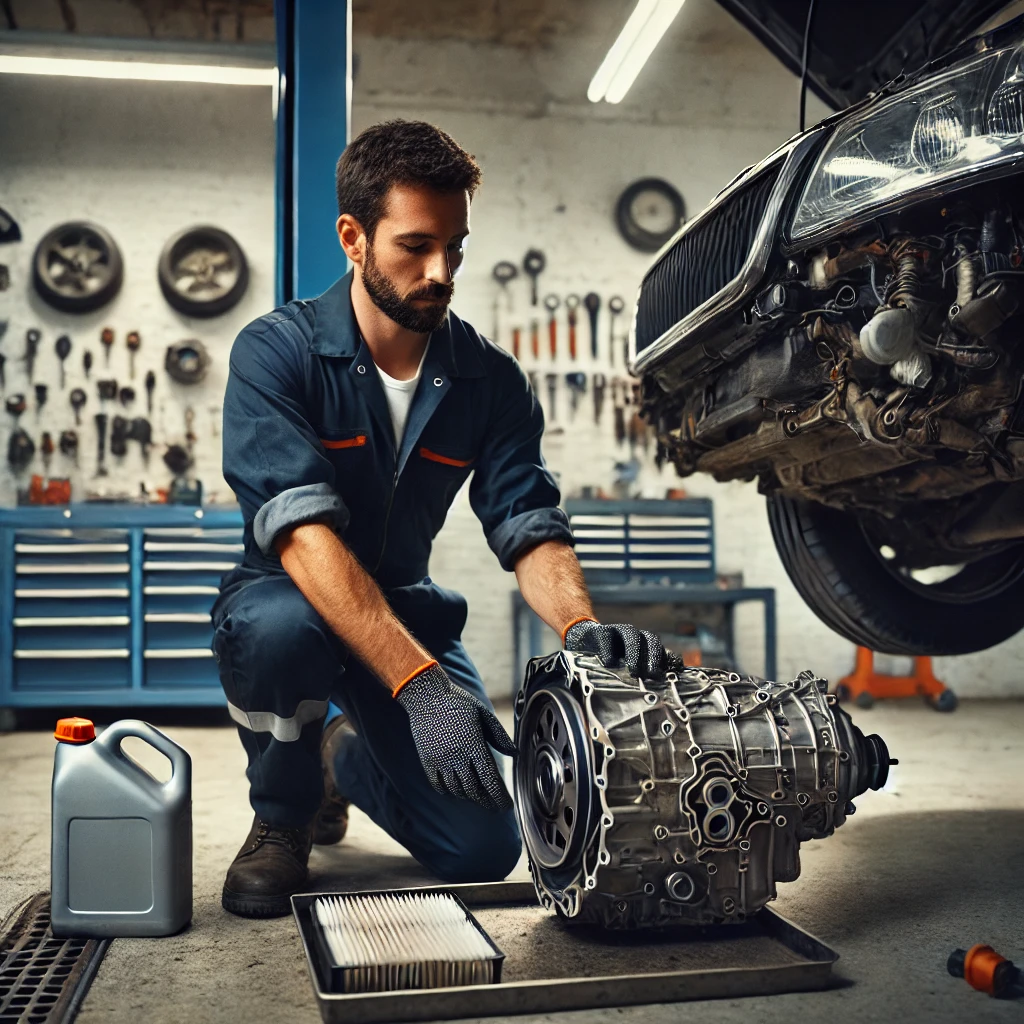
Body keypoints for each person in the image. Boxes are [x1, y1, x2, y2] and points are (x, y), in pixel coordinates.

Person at [212, 119, 667, 918]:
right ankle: (282, 815)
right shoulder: (274, 353)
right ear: (353, 238)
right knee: (282, 633)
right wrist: (422, 687)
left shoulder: (488, 379)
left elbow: (527, 518)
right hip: (292, 600)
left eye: (454, 247)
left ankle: (339, 754)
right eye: (415, 246)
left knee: (484, 849)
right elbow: (302, 535)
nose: (441, 271)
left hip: (407, 606)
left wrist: (579, 628)